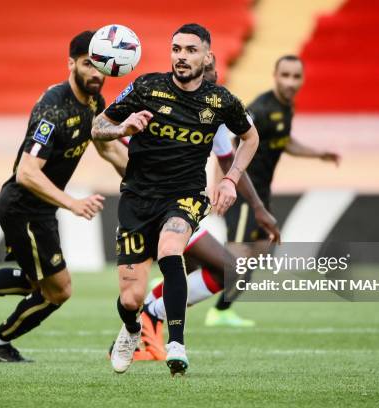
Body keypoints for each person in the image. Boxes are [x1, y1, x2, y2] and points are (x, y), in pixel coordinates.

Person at [0, 31, 128, 363]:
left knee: (36, 282)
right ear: (71, 63)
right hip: (24, 206)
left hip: (39, 207)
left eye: (101, 65)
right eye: (88, 64)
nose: (96, 73)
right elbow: (27, 172)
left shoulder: (93, 102)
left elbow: (106, 146)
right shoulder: (53, 110)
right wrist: (72, 202)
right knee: (58, 290)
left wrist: (139, 182)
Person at [92, 23, 259, 376]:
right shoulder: (146, 88)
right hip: (137, 199)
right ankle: (133, 328)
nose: (182, 57)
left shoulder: (220, 101)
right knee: (130, 299)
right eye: (177, 49)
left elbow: (251, 137)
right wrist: (124, 128)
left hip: (184, 196)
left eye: (191, 50)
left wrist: (230, 180)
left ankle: (176, 344)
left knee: (171, 249)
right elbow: (98, 127)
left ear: (207, 56)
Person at [211, 55, 341, 320]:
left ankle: (219, 305)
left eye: (296, 76)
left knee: (257, 254)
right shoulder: (260, 108)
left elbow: (285, 141)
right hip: (243, 192)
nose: (291, 82)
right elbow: (227, 145)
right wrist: (219, 184)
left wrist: (318, 154)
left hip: (261, 194)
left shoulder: (285, 108)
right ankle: (201, 298)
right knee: (239, 259)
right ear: (275, 75)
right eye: (285, 75)